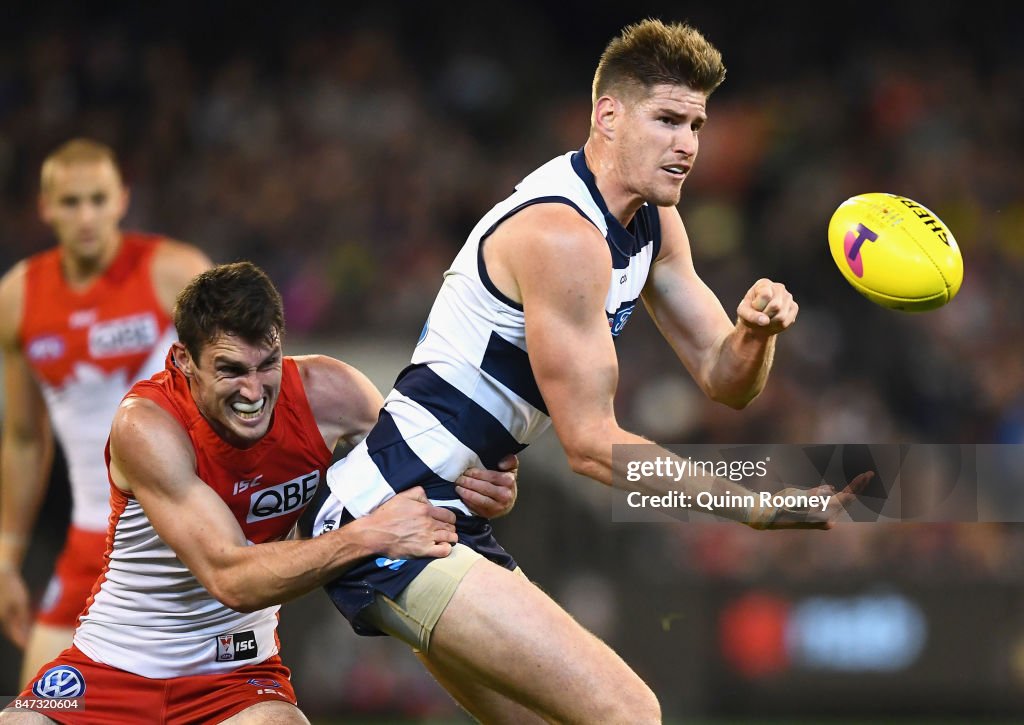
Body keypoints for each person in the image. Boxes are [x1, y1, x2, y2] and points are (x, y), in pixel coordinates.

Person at [306, 18, 871, 723]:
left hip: (452, 515)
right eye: (667, 120)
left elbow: (726, 382)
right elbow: (591, 445)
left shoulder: (653, 224)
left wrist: (755, 335)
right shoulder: (563, 236)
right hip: (393, 515)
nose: (687, 145)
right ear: (608, 115)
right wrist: (757, 505)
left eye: (696, 124)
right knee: (627, 712)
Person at [1, 262, 518, 724]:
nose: (253, 391)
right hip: (113, 666)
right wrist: (368, 536)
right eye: (230, 370)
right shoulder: (148, 426)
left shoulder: (332, 396)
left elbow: (423, 473)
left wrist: (483, 488)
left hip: (236, 675)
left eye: (266, 363)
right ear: (183, 360)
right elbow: (230, 577)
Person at [0, 138, 213, 686]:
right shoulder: (19, 297)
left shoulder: (175, 273)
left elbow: (243, 386)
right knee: (38, 706)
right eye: (71, 202)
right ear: (45, 208)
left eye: (98, 199)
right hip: (90, 543)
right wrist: (7, 556)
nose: (86, 216)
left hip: (178, 538)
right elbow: (24, 439)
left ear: (122, 199)